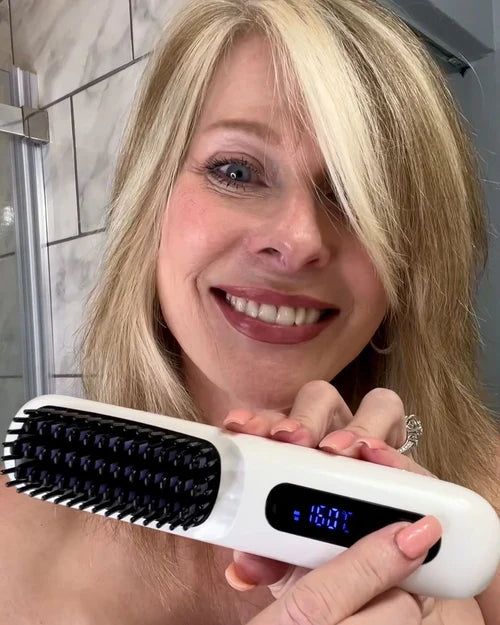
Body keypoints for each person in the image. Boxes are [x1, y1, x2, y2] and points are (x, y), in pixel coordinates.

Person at [1, 0, 498, 623]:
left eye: (355, 191)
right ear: (152, 199)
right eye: (236, 171)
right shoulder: (13, 542)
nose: (300, 239)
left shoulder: (485, 503)